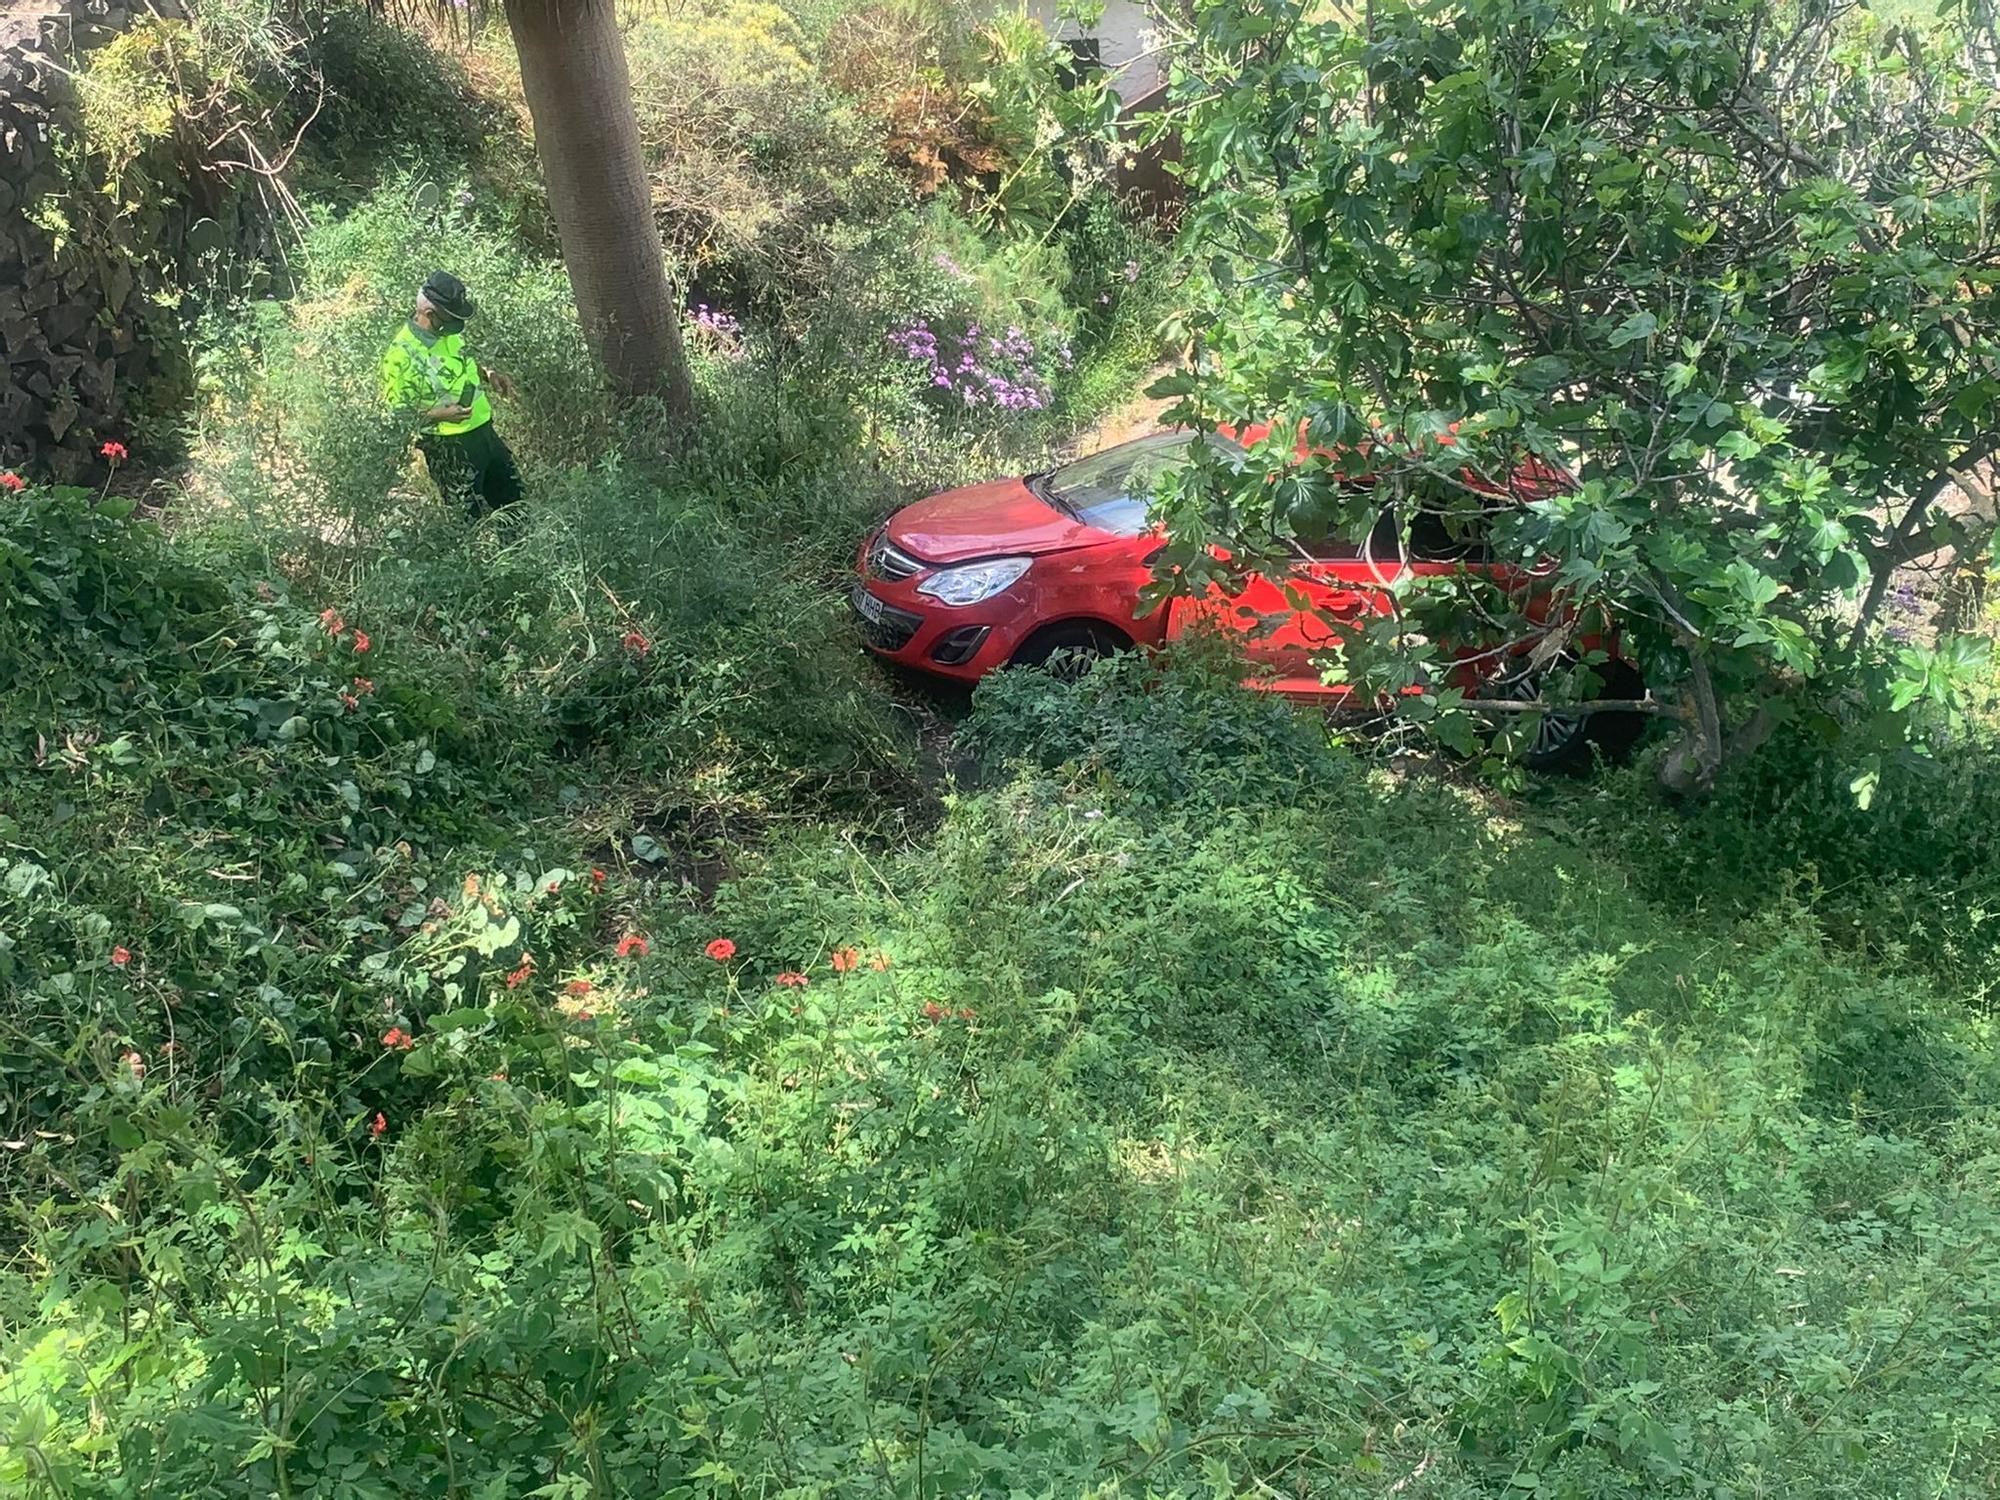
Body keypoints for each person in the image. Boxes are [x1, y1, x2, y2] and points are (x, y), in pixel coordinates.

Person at [380, 271, 523, 519]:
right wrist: (441, 414)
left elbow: (464, 364)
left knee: (514, 504)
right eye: (451, 316)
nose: (457, 323)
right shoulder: (400, 355)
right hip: (449, 449)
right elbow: (399, 413)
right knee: (465, 517)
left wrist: (489, 375)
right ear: (429, 314)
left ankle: (520, 552)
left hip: (485, 434)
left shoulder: (448, 334)